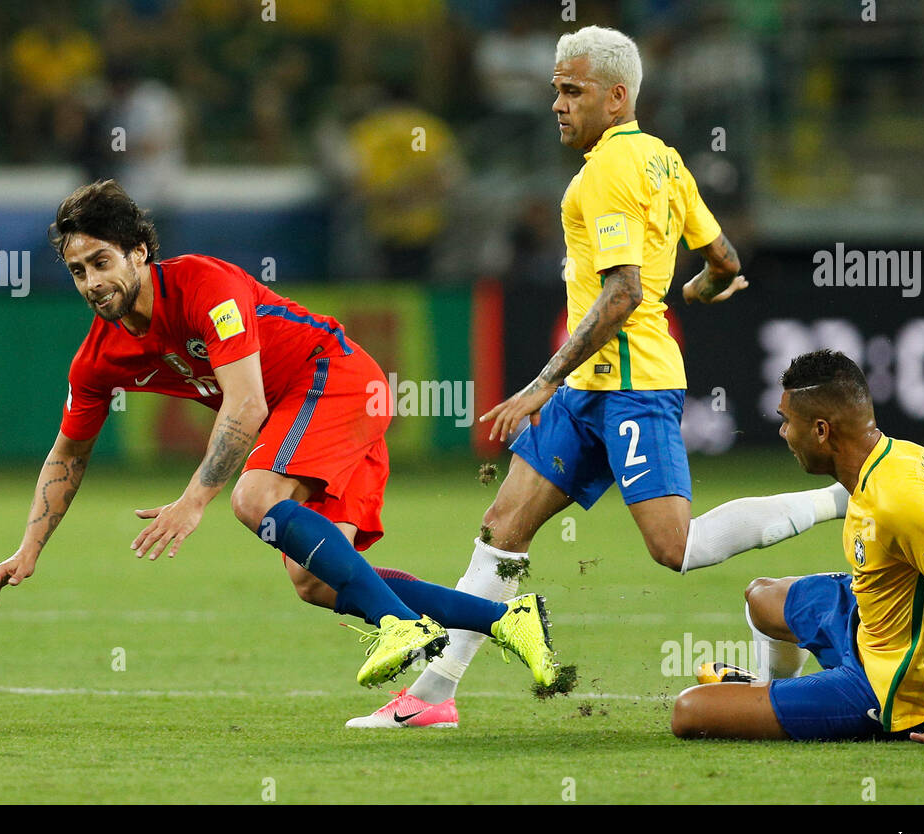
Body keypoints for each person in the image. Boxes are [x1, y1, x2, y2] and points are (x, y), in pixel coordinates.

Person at [348, 25, 847, 729]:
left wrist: (542, 381)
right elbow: (726, 258)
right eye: (556, 88)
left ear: (616, 98)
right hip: (592, 387)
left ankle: (833, 500)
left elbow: (623, 293)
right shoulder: (665, 161)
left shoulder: (608, 172)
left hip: (633, 385)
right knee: (503, 525)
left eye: (571, 90)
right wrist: (704, 288)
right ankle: (431, 698)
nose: (557, 103)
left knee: (675, 547)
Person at [0, 180, 559, 691]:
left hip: (333, 378)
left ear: (138, 252)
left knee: (253, 497)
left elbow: (247, 403)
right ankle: (507, 619)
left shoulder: (204, 285)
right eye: (78, 270)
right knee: (314, 580)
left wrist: (193, 500)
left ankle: (398, 624)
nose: (91, 282)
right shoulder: (98, 359)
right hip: (306, 411)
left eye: (102, 262)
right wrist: (28, 548)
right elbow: (68, 454)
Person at [671, 350, 924, 749]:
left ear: (820, 430)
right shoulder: (898, 457)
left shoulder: (901, 500)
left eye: (786, 422)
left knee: (689, 711)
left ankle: (782, 700)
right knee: (761, 597)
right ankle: (770, 692)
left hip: (894, 689)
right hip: (870, 626)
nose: (782, 433)